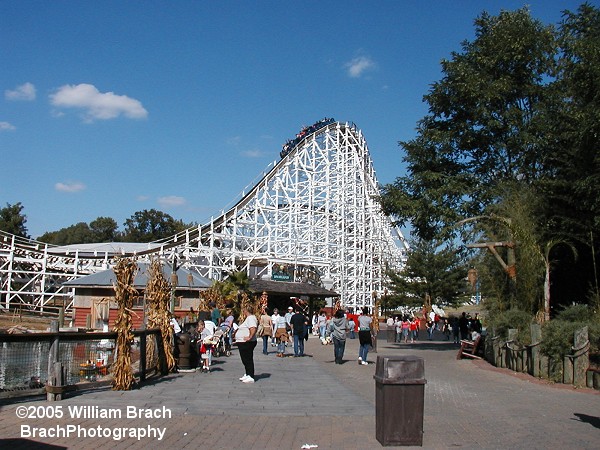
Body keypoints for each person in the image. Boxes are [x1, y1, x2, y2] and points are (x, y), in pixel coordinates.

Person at [233, 305, 258, 383]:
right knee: (245, 359)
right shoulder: (248, 318)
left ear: (246, 311)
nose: (243, 312)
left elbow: (253, 328)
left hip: (247, 343)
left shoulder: (251, 318)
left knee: (247, 359)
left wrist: (250, 337)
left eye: (243, 310)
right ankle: (247, 373)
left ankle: (250, 375)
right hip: (243, 342)